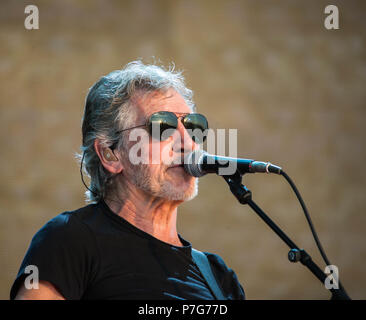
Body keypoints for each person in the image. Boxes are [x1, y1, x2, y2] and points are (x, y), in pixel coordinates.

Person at [10, 61, 245, 300]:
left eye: (193, 126)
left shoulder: (218, 277)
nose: (187, 143)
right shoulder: (68, 239)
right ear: (110, 154)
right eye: (162, 126)